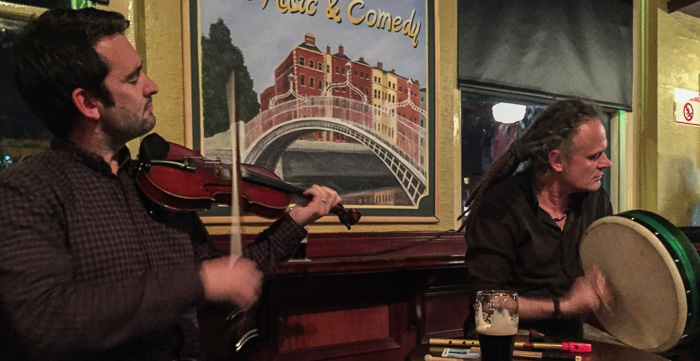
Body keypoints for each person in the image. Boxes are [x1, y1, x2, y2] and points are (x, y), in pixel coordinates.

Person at [0, 7, 341, 360]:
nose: (151, 86)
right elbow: (44, 320)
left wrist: (297, 220)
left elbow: (229, 277)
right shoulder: (27, 192)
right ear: (88, 102)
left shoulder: (159, 183)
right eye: (132, 79)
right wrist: (198, 282)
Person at [461, 99, 613, 340]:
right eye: (594, 156)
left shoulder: (596, 201)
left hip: (569, 336)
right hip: (506, 336)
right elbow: (487, 304)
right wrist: (564, 306)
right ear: (556, 161)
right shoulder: (502, 203)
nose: (606, 163)